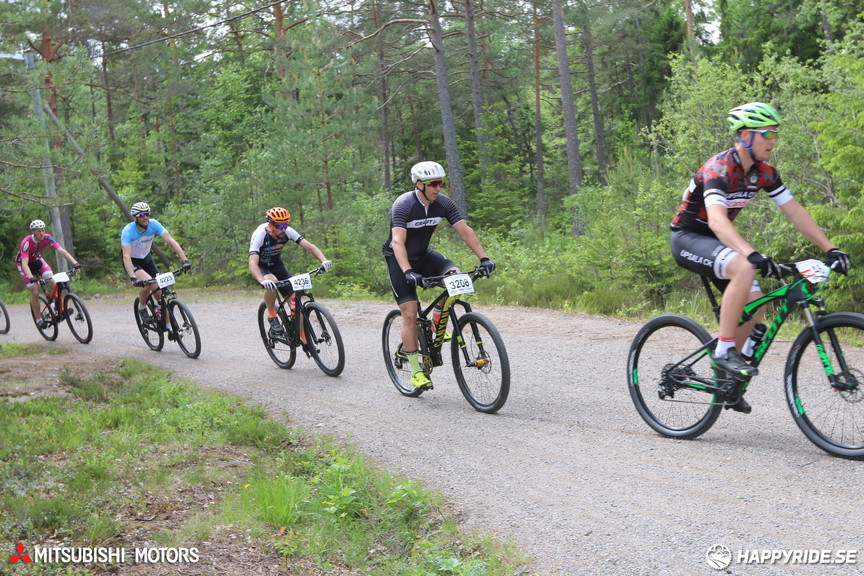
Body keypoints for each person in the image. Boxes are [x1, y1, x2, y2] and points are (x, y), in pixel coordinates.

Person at [670, 102, 851, 413]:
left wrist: (829, 247)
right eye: (766, 133)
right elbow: (716, 220)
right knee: (744, 268)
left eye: (775, 134)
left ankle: (728, 381)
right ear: (743, 135)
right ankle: (725, 349)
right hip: (690, 238)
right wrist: (750, 253)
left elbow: (795, 213)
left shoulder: (764, 173)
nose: (773, 140)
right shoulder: (719, 169)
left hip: (719, 243)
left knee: (758, 308)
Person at [383, 161, 495, 390]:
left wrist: (484, 258)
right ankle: (416, 370)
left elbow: (465, 231)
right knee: (410, 313)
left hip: (424, 256)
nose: (438, 187)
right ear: (419, 184)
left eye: (440, 183)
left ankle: (436, 319)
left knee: (456, 280)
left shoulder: (443, 203)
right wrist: (408, 272)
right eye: (433, 183)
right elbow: (397, 241)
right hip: (398, 258)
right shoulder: (404, 205)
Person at [248, 207, 332, 339]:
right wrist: (262, 280)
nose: (283, 229)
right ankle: (271, 314)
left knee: (296, 304)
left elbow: (310, 247)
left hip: (277, 265)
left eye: (286, 225)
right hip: (261, 267)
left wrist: (324, 260)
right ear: (271, 225)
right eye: (280, 226)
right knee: (272, 283)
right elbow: (252, 263)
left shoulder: (288, 231)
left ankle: (304, 339)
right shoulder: (261, 235)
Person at [121, 202, 191, 323]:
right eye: (142, 215)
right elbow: (126, 256)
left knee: (159, 292)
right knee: (148, 283)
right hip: (133, 261)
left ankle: (169, 327)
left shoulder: (154, 224)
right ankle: (142, 307)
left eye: (147, 214)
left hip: (147, 258)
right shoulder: (128, 231)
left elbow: (171, 241)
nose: (145, 217)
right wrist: (133, 277)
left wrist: (185, 260)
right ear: (135, 217)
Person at [15, 219, 81, 329]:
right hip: (24, 265)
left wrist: (75, 263)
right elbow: (25, 263)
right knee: (35, 290)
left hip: (37, 260)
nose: (41, 233)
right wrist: (31, 277)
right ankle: (38, 319)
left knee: (52, 280)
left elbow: (61, 251)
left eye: (43, 230)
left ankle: (55, 306)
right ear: (33, 232)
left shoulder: (47, 238)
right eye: (38, 231)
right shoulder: (26, 243)